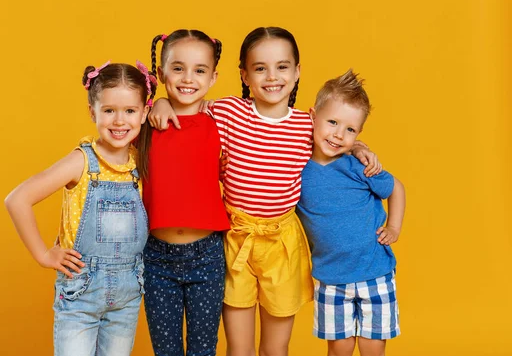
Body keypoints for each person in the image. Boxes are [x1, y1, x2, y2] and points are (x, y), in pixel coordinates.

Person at [149, 27, 381, 356]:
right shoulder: (227, 113)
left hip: (281, 245)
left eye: (282, 66)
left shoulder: (308, 125)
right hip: (236, 240)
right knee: (238, 348)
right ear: (243, 74)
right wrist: (159, 100)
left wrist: (358, 146)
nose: (272, 77)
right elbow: (186, 102)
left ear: (298, 71)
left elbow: (336, 136)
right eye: (260, 68)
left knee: (275, 348)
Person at [4, 60, 155, 356]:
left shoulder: (142, 162)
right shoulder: (82, 162)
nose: (119, 121)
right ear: (92, 112)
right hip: (80, 294)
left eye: (130, 111)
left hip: (127, 296)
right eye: (108, 110)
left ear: (145, 112)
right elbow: (17, 199)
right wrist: (44, 254)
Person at [296, 69, 406, 356]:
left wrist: (394, 226)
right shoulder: (295, 166)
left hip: (374, 273)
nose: (338, 134)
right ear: (312, 116)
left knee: (372, 349)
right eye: (332, 122)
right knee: (340, 349)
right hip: (331, 279)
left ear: (359, 134)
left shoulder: (359, 166)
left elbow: (396, 188)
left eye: (350, 130)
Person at [139, 29, 230, 356]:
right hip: (155, 256)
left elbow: (273, 126)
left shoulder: (221, 122)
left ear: (213, 77)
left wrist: (356, 145)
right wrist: (157, 102)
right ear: (161, 74)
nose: (188, 78)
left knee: (204, 349)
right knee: (166, 351)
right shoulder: (145, 123)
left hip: (207, 255)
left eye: (199, 70)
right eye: (178, 68)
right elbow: (113, 120)